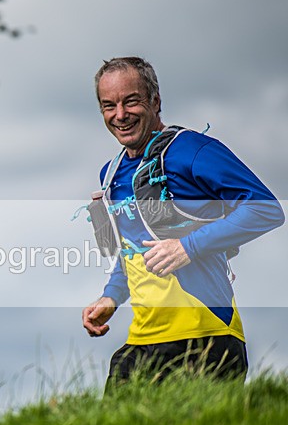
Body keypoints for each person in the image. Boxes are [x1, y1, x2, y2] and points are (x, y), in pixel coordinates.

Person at [81, 56, 284, 389]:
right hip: (142, 342)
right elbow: (132, 248)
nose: (120, 115)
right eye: (109, 106)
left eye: (131, 101)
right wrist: (111, 297)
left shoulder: (192, 150)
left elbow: (266, 209)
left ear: (155, 101)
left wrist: (188, 246)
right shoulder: (111, 174)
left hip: (207, 336)